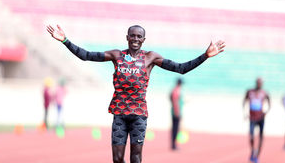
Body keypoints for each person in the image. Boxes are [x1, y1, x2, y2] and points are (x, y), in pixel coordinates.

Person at [46, 24, 225, 163]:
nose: (135, 39)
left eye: (139, 36)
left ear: (144, 39)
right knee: (117, 159)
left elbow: (181, 68)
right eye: (132, 35)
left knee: (135, 159)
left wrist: (205, 55)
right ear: (127, 37)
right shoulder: (116, 55)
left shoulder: (150, 58)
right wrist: (65, 40)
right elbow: (86, 55)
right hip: (119, 114)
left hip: (139, 114)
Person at [243, 78, 271, 163]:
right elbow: (244, 101)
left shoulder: (264, 93)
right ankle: (252, 150)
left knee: (260, 137)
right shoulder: (250, 92)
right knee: (251, 136)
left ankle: (257, 155)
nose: (259, 84)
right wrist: (245, 112)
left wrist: (266, 112)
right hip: (252, 118)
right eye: (258, 83)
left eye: (261, 83)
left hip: (261, 118)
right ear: (256, 83)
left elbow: (270, 103)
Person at [170, 78, 184, 150]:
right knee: (175, 129)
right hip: (176, 112)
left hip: (174, 111)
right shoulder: (176, 90)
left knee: (175, 129)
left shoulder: (174, 90)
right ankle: (173, 145)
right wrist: (177, 112)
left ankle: (173, 144)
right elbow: (175, 101)